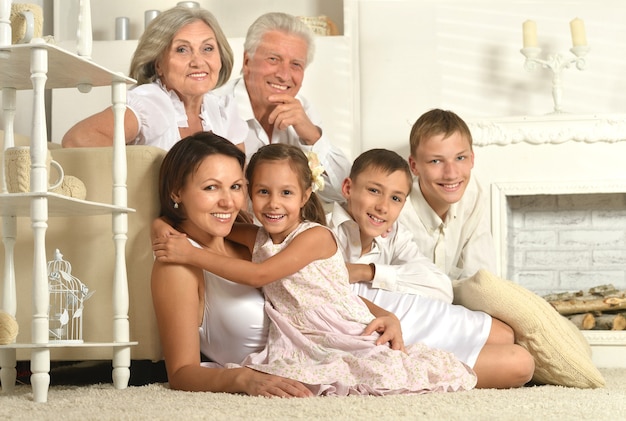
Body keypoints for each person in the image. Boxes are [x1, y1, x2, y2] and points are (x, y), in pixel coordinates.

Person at [153, 143, 477, 396]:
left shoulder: (313, 235)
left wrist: (388, 315)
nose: (228, 202)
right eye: (261, 191)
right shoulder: (250, 238)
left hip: (353, 324)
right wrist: (160, 223)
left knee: (444, 369)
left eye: (234, 187)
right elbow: (187, 227)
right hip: (316, 338)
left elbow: (263, 277)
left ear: (305, 194)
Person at [328, 148, 535, 388]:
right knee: (520, 365)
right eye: (374, 191)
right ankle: (431, 364)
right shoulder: (323, 233)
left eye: (395, 198)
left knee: (506, 334)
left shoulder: (393, 235)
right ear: (347, 188)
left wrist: (369, 272)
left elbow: (441, 288)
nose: (383, 207)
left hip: (409, 314)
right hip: (379, 327)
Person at [151, 131, 311, 396]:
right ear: (177, 192)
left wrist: (380, 316)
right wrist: (241, 380)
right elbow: (180, 373)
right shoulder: (178, 265)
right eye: (211, 187)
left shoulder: (249, 241)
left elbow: (318, 285)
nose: (228, 202)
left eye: (236, 187)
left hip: (336, 341)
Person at [61, 6, 246, 150]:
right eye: (182, 49)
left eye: (208, 48)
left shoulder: (224, 111)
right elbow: (77, 140)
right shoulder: (151, 103)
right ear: (158, 64)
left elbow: (240, 183)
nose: (198, 61)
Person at [213, 12, 350, 204]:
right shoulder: (216, 109)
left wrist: (312, 136)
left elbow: (341, 194)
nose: (284, 75)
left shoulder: (303, 108)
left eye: (296, 64)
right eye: (273, 59)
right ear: (247, 61)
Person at [398, 108, 497, 280]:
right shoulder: (396, 211)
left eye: (460, 158)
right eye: (436, 161)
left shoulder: (474, 196)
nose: (451, 174)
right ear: (414, 166)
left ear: (472, 159)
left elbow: (483, 278)